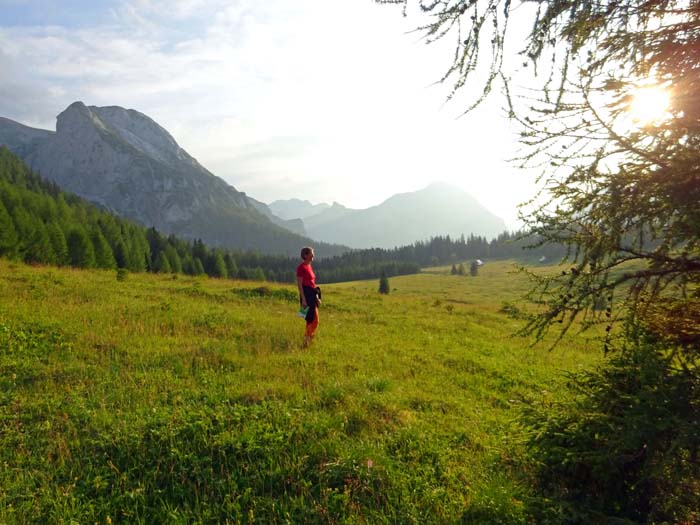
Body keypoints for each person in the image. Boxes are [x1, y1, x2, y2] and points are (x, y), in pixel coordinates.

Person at [296, 246, 321, 347]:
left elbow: (312, 284)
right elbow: (300, 285)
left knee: (310, 319)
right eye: (311, 253)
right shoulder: (301, 268)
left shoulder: (309, 266)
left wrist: (317, 297)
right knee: (314, 320)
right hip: (306, 296)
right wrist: (304, 300)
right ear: (305, 255)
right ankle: (307, 338)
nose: (313, 255)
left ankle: (307, 342)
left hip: (312, 295)